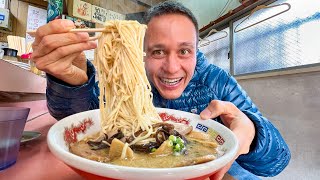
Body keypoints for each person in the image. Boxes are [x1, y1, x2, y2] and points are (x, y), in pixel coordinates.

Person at [31, 1, 290, 179]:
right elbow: (80, 117)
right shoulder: (126, 80)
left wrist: (253, 133)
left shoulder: (217, 83)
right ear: (140, 54)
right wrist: (70, 81)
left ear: (196, 50)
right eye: (157, 51)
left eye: (184, 51)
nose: (171, 67)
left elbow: (278, 161)